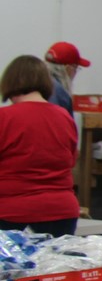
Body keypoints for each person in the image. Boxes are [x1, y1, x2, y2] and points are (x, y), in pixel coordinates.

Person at [0, 55, 80, 237]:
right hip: (62, 212)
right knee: (55, 265)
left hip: (12, 213)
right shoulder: (64, 117)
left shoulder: (4, 118)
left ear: (9, 82)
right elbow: (71, 160)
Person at [43, 41, 89, 116]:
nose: (75, 73)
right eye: (76, 68)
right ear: (68, 68)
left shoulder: (36, 85)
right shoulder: (59, 92)